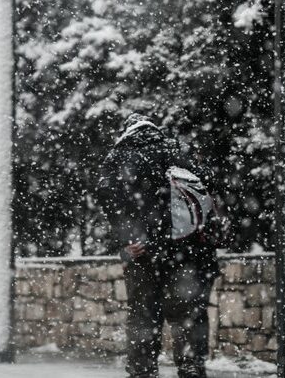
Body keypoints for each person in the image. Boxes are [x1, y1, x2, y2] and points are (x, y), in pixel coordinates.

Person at [97, 114, 225, 378]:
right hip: (188, 254)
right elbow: (212, 192)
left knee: (144, 320)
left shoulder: (121, 157)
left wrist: (127, 240)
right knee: (188, 320)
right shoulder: (178, 152)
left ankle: (143, 372)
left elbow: (108, 197)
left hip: (144, 255)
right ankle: (191, 369)